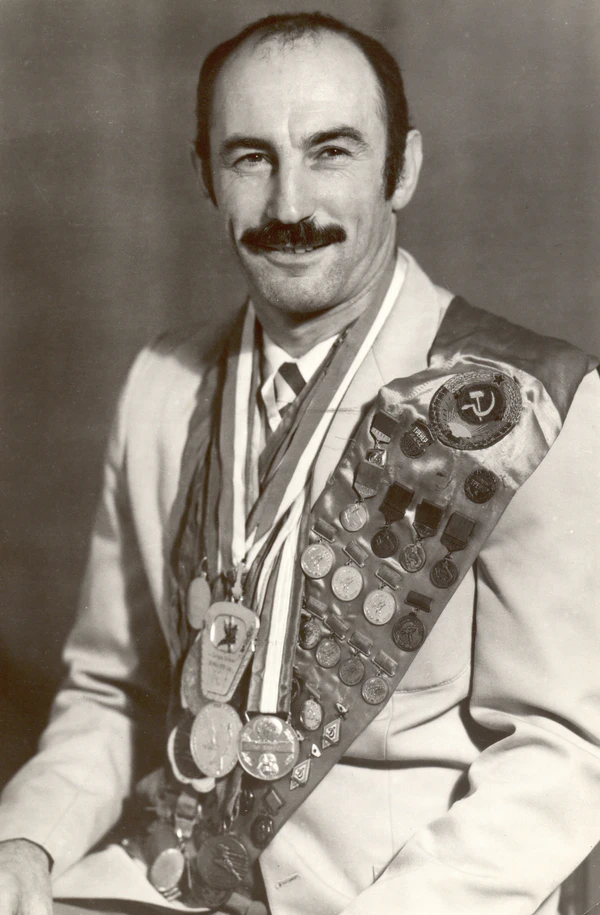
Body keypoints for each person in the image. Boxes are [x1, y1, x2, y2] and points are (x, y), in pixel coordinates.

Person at [0, 11, 599, 915]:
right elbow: (114, 691)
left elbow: (564, 751)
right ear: (206, 176)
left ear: (403, 169)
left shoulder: (532, 403)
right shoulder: (162, 383)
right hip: (162, 885)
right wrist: (28, 840)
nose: (289, 207)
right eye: (251, 158)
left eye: (331, 153)